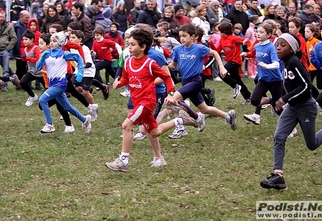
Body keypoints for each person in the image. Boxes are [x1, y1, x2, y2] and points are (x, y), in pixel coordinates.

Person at [105, 28, 197, 172]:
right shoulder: (128, 62)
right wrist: (119, 83)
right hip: (136, 101)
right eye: (128, 44)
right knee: (154, 132)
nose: (129, 47)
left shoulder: (149, 63)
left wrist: (170, 94)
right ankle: (180, 120)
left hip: (147, 102)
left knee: (126, 125)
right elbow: (126, 78)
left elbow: (167, 77)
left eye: (132, 44)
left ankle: (123, 160)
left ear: (142, 47)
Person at [260, 33, 322, 190]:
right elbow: (289, 85)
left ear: (292, 48)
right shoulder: (285, 63)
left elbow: (306, 86)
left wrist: (284, 99)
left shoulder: (295, 63)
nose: (278, 48)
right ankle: (278, 176)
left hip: (306, 107)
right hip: (292, 108)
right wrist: (282, 99)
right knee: (279, 136)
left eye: (283, 45)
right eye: (277, 45)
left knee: (312, 144)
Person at [164, 23, 237, 134]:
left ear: (193, 37)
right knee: (205, 109)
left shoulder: (199, 48)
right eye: (180, 36)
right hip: (186, 82)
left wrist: (222, 68)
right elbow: (173, 66)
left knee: (174, 99)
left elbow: (215, 53)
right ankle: (228, 116)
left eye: (184, 36)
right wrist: (162, 67)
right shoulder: (178, 49)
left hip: (195, 81)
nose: (182, 38)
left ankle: (194, 119)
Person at [36, 31, 92, 133]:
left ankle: (49, 125)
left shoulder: (64, 54)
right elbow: (38, 67)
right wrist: (42, 58)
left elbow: (78, 58)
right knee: (67, 106)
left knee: (42, 99)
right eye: (51, 41)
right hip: (52, 84)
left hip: (60, 84)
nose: (51, 43)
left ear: (61, 43)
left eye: (54, 41)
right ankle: (85, 119)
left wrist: (80, 72)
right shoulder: (47, 54)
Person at [241, 22, 283, 125]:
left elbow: (276, 64)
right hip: (263, 79)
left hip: (275, 80)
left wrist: (266, 66)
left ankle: (291, 127)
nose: (258, 34)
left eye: (261, 32)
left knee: (278, 107)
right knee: (254, 100)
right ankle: (271, 102)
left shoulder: (271, 47)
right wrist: (246, 54)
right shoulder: (257, 46)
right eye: (257, 32)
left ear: (268, 35)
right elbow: (252, 54)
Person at [213, 22, 252, 104]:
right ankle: (248, 97)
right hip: (229, 61)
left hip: (236, 61)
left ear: (225, 31)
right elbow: (217, 51)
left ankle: (235, 86)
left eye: (220, 31)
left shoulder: (234, 38)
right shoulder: (222, 40)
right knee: (238, 80)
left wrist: (248, 51)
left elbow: (247, 41)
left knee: (222, 73)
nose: (219, 33)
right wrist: (210, 43)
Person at [19, 30, 44, 107]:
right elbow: (27, 60)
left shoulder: (36, 48)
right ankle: (33, 96)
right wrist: (23, 58)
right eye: (23, 39)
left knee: (48, 87)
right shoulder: (26, 49)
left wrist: (27, 58)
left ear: (32, 40)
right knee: (22, 82)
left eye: (26, 39)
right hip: (32, 72)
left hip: (41, 72)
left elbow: (37, 59)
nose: (24, 41)